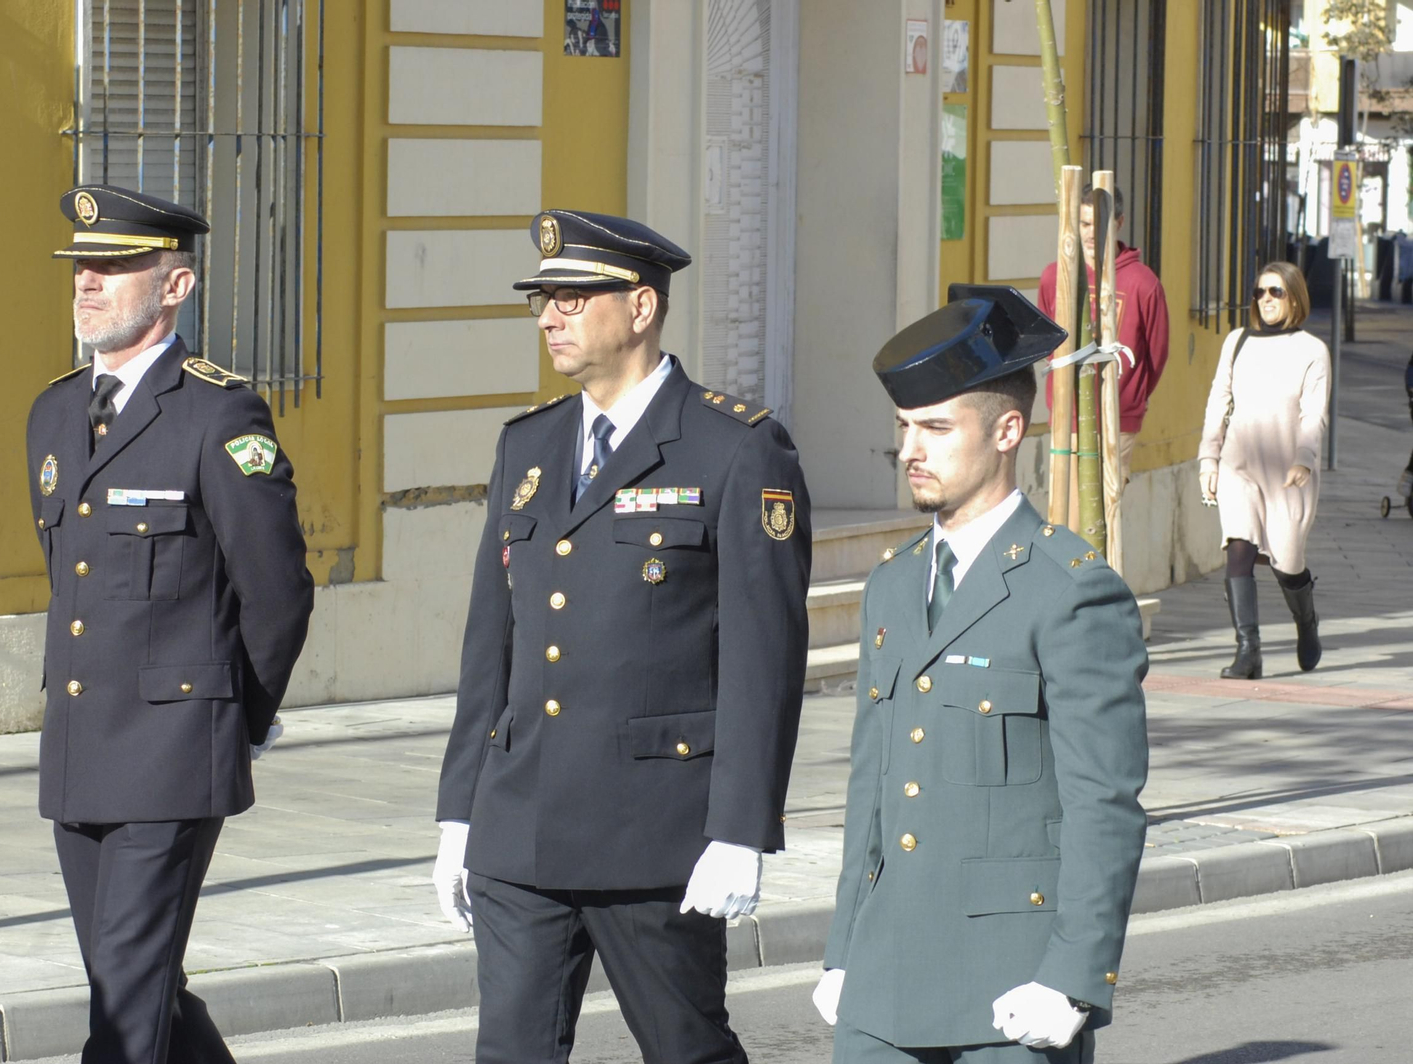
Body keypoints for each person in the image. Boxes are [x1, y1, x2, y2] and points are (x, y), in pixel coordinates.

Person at [432, 209, 813, 1064]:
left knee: (686, 1049)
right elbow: (489, 645)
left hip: (657, 835)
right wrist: (459, 810)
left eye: (571, 298)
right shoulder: (526, 447)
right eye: (543, 299)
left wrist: (742, 826)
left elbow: (765, 659)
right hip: (521, 826)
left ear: (640, 308)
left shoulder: (734, 449)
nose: (548, 317)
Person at [813, 285, 1150, 1063]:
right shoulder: (893, 585)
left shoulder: (1070, 590)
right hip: (881, 980)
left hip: (1011, 991)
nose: (910, 451)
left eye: (935, 427)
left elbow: (1104, 803)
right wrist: (842, 947)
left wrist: (1072, 978)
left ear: (1007, 430)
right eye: (903, 428)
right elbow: (871, 787)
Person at [26, 185, 314, 1064]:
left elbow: (277, 592)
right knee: (144, 991)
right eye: (82, 266)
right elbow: (74, 579)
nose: (88, 282)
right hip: (81, 749)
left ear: (175, 285)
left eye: (114, 266)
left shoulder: (217, 414)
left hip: (173, 752)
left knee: (121, 1012)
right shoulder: (54, 410)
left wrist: (237, 723)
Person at [1197, 261, 1329, 679]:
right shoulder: (1237, 341)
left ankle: (1306, 623)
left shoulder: (1312, 350)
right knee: (1238, 549)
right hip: (1240, 464)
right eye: (1260, 293)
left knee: (1287, 563)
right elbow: (1217, 402)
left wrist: (1304, 459)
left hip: (1289, 470)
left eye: (1275, 292)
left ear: (1294, 296)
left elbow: (1314, 416)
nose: (1266, 300)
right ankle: (1248, 652)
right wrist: (1208, 459)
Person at [1037, 185, 1170, 489]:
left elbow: (1156, 355)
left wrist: (1131, 396)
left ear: (1119, 223)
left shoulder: (1143, 283)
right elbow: (1048, 339)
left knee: (1105, 523)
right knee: (1065, 523)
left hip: (1117, 419)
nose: (1090, 233)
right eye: (1084, 223)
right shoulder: (1054, 276)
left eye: (1099, 223)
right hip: (1066, 414)